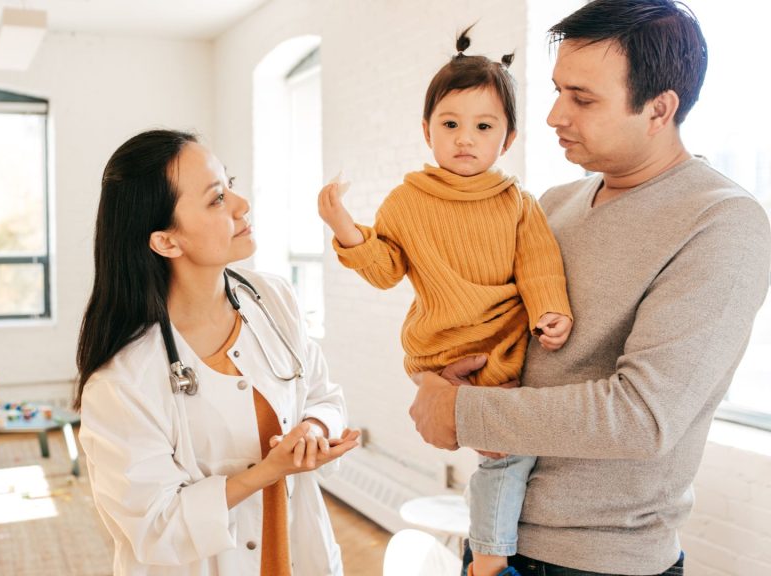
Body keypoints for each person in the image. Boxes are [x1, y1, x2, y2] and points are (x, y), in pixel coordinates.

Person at [408, 1, 771, 574]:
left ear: (659, 108)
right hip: (489, 536)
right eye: (556, 91)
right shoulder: (553, 205)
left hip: (598, 562)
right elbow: (484, 323)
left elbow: (643, 417)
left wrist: (463, 410)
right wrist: (437, 377)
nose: (553, 115)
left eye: (582, 98)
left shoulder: (722, 222)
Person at [318, 27, 572, 576]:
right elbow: (385, 270)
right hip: (439, 351)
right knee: (505, 458)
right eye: (450, 124)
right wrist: (345, 228)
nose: (465, 139)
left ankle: (485, 555)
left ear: (507, 140)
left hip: (502, 349)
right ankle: (489, 563)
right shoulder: (408, 201)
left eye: (484, 127)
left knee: (505, 460)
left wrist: (552, 309)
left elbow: (540, 264)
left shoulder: (516, 202)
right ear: (426, 131)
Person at [74, 129, 361, 576]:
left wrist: (313, 427)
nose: (241, 204)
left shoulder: (274, 299)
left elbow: (325, 395)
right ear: (166, 241)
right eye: (216, 199)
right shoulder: (121, 381)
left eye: (230, 184)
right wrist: (266, 471)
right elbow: (154, 526)